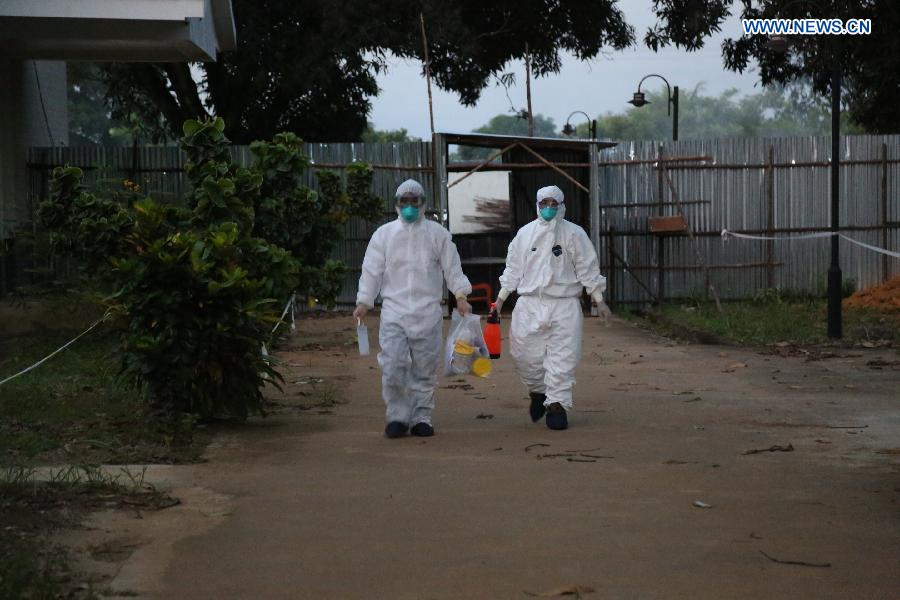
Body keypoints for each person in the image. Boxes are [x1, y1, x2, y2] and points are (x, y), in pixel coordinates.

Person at [354, 179, 472, 438]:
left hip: (428, 312)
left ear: (423, 204)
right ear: (396, 204)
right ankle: (397, 416)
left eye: (414, 201)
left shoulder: (437, 234)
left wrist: (461, 295)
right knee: (393, 366)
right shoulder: (384, 235)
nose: (409, 206)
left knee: (424, 368)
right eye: (404, 201)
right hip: (394, 312)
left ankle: (421, 416)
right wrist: (364, 301)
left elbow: (452, 268)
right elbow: (372, 270)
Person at [493, 185, 610, 430]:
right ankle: (538, 391)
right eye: (544, 203)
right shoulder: (525, 235)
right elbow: (513, 269)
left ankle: (557, 403)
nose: (548, 208)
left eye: (553, 204)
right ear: (537, 205)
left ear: (561, 205)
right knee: (524, 355)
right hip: (529, 304)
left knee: (563, 357)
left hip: (564, 305)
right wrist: (501, 299)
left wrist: (599, 298)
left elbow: (587, 267)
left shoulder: (574, 234)